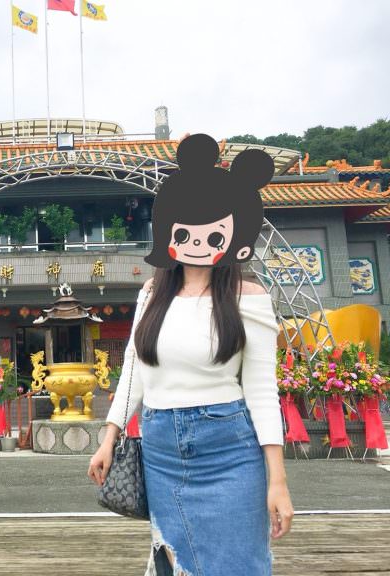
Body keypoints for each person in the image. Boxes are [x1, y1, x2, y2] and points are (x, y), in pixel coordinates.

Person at [88, 134, 293, 575]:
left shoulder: (248, 297)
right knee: (175, 562)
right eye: (185, 231)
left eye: (215, 232)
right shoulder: (151, 294)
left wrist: (277, 480)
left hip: (230, 449)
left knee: (239, 564)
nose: (199, 242)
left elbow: (262, 391)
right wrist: (109, 438)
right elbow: (134, 371)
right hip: (160, 450)